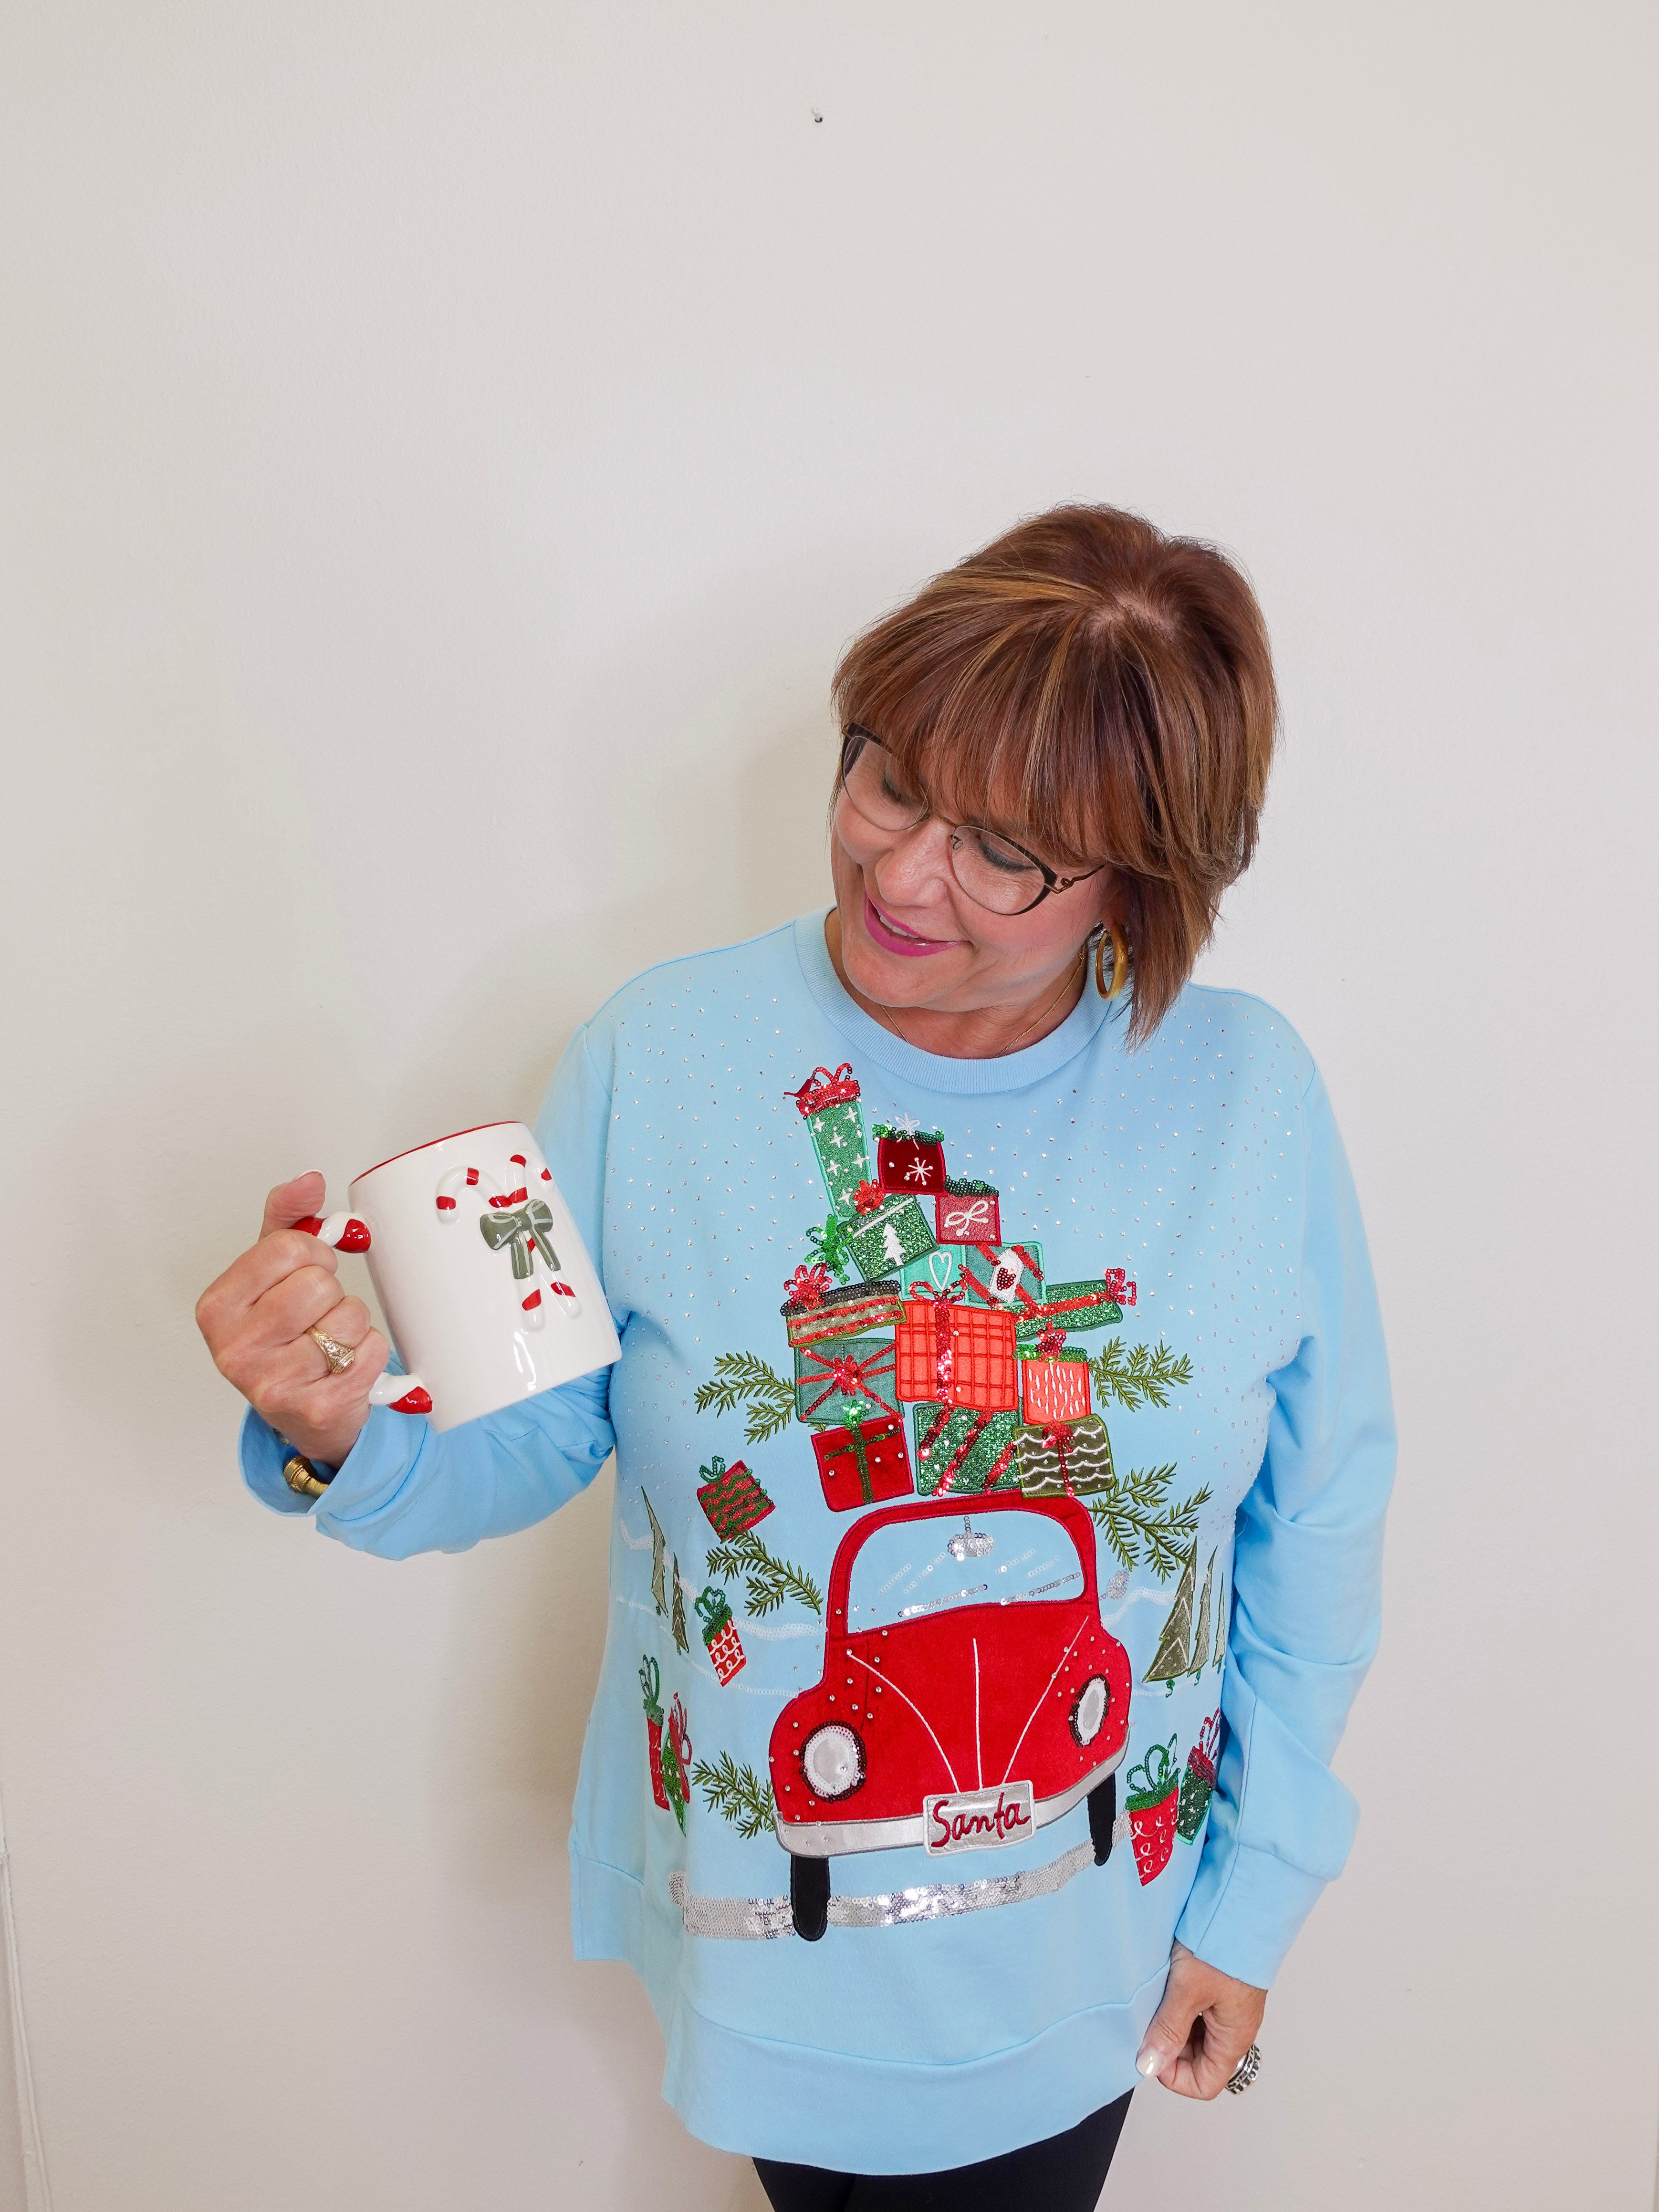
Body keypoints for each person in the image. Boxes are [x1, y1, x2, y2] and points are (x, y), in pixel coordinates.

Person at [197, 504, 1394, 2210]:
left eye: (1007, 852)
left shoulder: (1246, 1096)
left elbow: (1320, 1522)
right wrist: (338, 1421)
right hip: (766, 1945)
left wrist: (1255, 1901)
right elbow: (530, 1435)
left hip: (1087, 1954)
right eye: (892, 780)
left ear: (1142, 881)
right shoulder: (661, 1051)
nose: (902, 874)